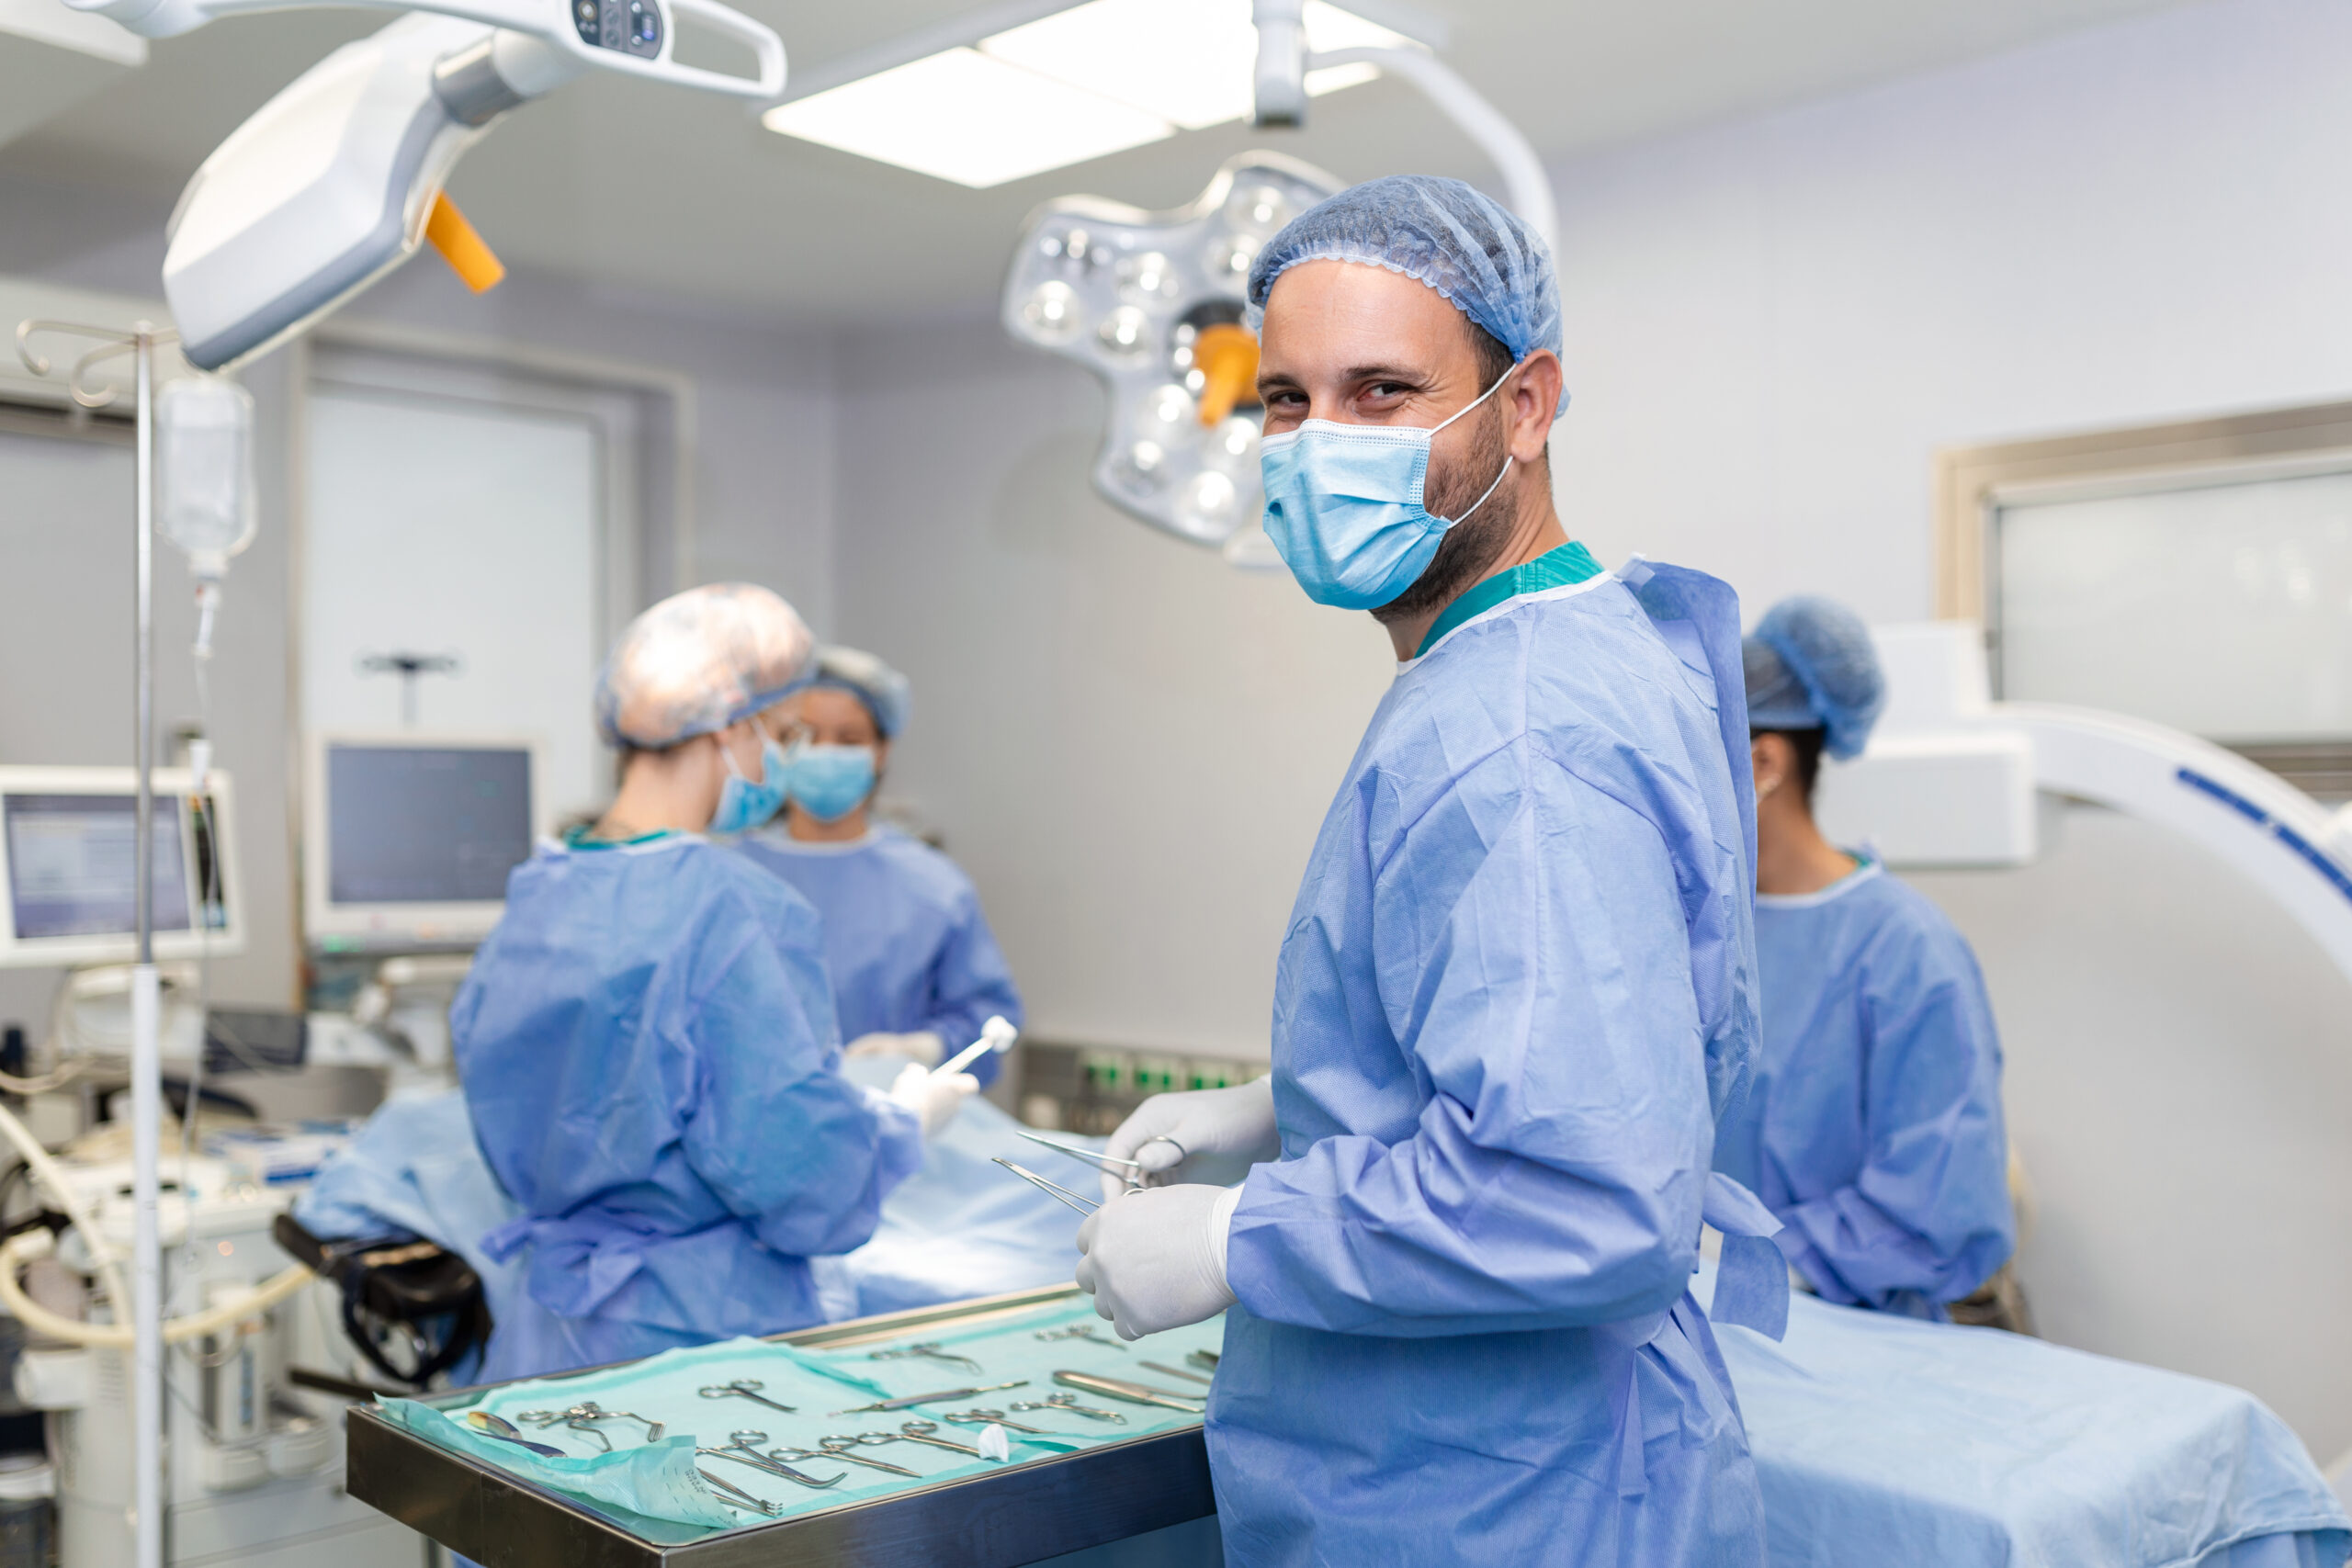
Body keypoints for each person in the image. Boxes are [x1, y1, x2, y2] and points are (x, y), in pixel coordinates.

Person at [1070, 176, 1784, 1567]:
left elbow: (1577, 1192)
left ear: (1525, 405)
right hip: (1523, 1459)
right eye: (1285, 400)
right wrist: (1301, 1101)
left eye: (1383, 390)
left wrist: (1236, 1235)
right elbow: (1586, 1037)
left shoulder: (1518, 728)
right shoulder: (1548, 649)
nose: (1318, 441)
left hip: (1501, 1497)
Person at [449, 583, 977, 1382]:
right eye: (782, 732)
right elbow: (803, 1178)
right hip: (696, 1349)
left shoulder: (543, 889)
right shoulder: (730, 910)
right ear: (731, 728)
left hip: (552, 1333)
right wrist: (894, 1129)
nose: (783, 760)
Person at [1713, 595, 2017, 1322]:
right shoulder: (1704, 930)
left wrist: (1755, 1260)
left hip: (1861, 1343)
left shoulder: (1905, 949)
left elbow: (1939, 1207)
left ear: (1762, 763)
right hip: (1700, 1328)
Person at [734, 645, 1024, 1086]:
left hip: (899, 1130)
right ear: (777, 744)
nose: (825, 752)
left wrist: (923, 1049)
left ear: (881, 751)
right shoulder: (730, 876)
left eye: (849, 740)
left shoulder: (933, 888)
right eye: (805, 735)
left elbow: (990, 1024)